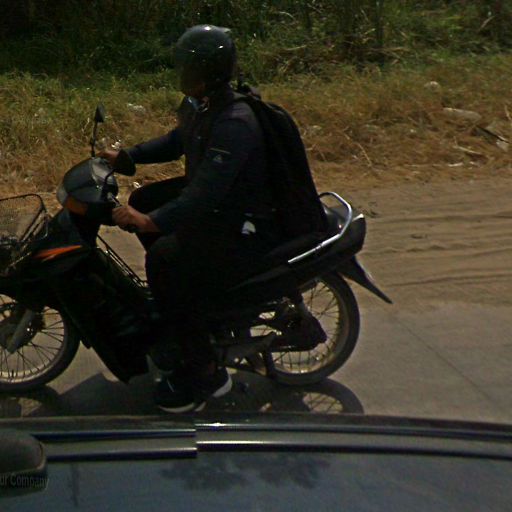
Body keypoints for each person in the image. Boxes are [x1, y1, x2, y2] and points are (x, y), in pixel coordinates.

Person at [100, 25, 284, 413]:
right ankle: (184, 301)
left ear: (207, 72)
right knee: (144, 198)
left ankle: (206, 374)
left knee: (164, 258)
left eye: (187, 66)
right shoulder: (202, 105)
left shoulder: (234, 121)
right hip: (220, 207)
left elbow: (204, 195)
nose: (181, 73)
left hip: (242, 222)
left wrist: (150, 222)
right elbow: (177, 140)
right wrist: (128, 157)